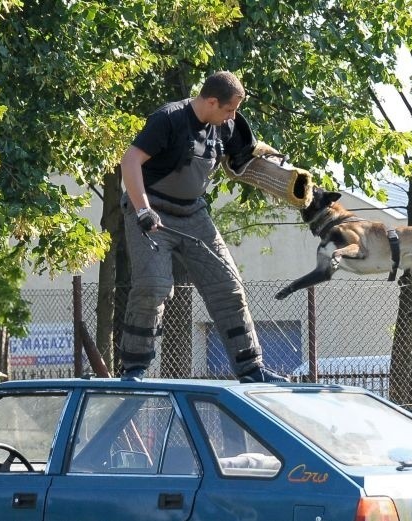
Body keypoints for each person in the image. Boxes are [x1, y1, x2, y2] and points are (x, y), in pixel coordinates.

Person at [118, 71, 287, 383]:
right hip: (151, 212)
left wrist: (279, 171)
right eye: (229, 109)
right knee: (153, 286)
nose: (233, 116)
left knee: (229, 287)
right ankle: (134, 369)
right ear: (211, 101)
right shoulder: (168, 119)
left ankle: (252, 370)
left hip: (194, 214)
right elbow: (130, 161)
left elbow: (244, 159)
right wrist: (143, 210)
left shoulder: (228, 124)